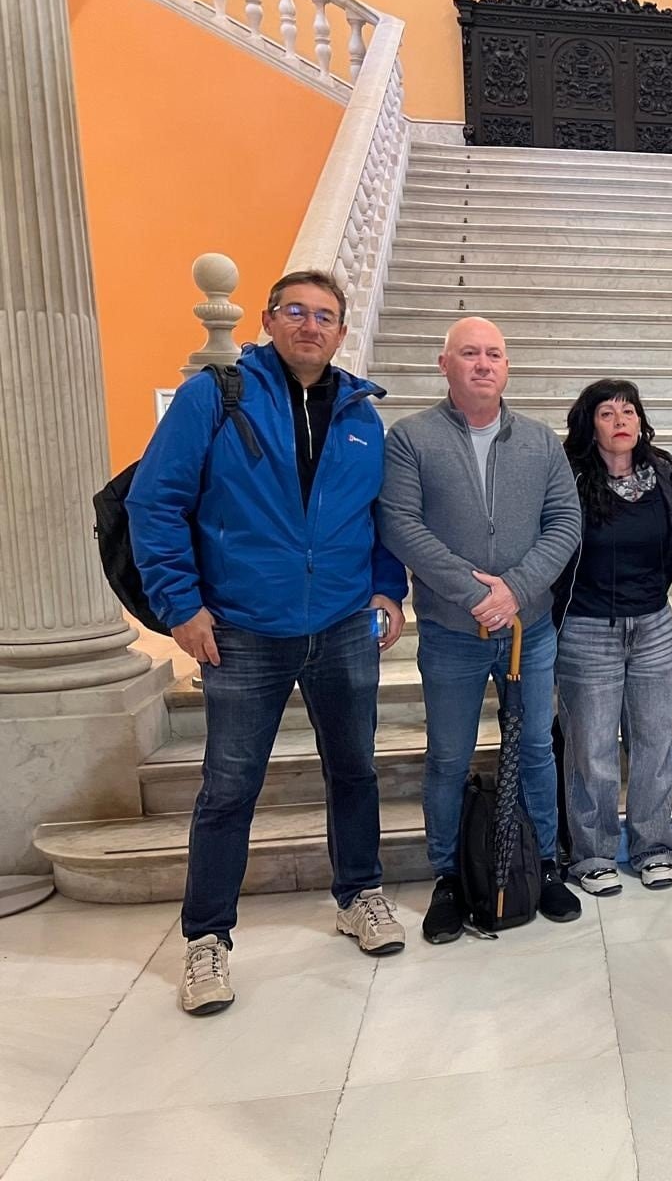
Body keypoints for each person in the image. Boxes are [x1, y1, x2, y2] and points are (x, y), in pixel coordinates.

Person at [128, 270, 408, 1016]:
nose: (310, 325)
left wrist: (388, 588)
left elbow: (380, 517)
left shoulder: (360, 414)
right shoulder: (215, 397)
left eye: (325, 316)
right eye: (296, 311)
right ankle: (206, 938)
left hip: (343, 625)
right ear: (268, 319)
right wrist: (180, 607)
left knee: (354, 771)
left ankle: (359, 894)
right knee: (229, 788)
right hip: (243, 628)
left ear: (341, 331)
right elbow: (155, 503)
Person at [379, 317, 583, 942]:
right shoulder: (410, 439)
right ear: (444, 364)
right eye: (469, 353)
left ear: (507, 367)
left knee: (538, 749)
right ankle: (448, 876)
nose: (483, 364)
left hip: (531, 631)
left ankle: (544, 864)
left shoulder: (541, 442)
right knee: (448, 756)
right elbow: (400, 524)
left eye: (494, 354)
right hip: (451, 633)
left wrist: (515, 590)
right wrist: (477, 596)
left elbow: (565, 522)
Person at [552, 379, 672, 895]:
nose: (620, 420)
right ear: (590, 424)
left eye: (628, 411)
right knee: (592, 750)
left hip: (653, 624)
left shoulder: (665, 472)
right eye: (607, 413)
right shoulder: (568, 477)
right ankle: (592, 854)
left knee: (654, 744)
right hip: (587, 629)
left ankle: (654, 847)